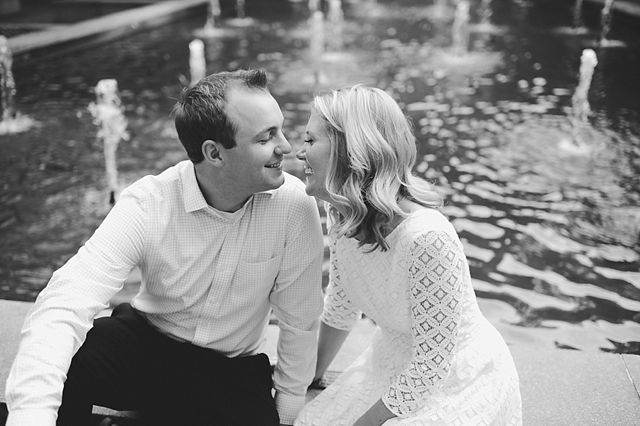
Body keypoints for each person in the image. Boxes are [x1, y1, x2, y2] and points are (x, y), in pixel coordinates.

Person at [5, 69, 325, 426]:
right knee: (72, 357)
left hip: (229, 372)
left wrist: (289, 411)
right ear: (214, 153)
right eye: (267, 137)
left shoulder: (295, 205)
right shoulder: (149, 202)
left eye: (279, 129)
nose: (286, 146)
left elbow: (300, 321)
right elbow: (65, 301)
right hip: (146, 347)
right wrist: (30, 417)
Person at [294, 84, 522, 426]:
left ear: (349, 150)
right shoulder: (342, 212)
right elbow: (341, 306)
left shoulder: (428, 238)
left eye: (311, 141)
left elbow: (431, 363)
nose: (299, 152)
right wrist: (308, 378)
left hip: (457, 379)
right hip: (391, 363)